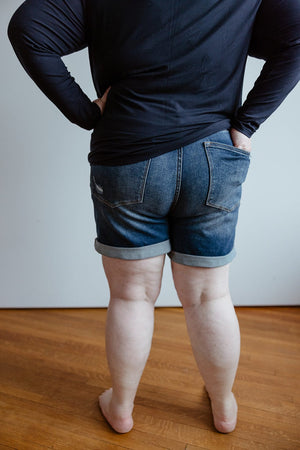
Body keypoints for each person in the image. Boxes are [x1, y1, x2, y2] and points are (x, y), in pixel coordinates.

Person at [8, 0, 300, 435]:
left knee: (131, 296)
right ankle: (223, 408)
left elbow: (28, 28)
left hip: (127, 151)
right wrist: (248, 123)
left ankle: (121, 408)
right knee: (210, 296)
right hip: (214, 154)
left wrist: (85, 113)